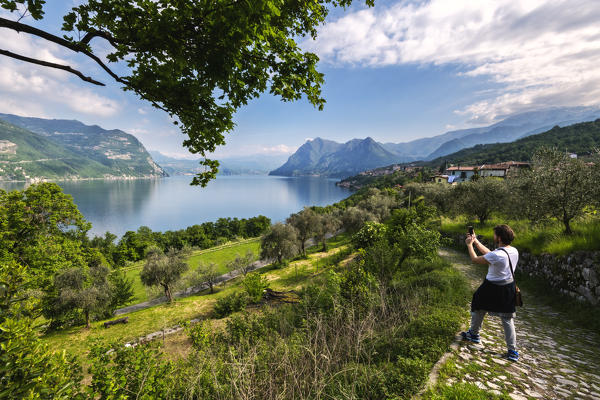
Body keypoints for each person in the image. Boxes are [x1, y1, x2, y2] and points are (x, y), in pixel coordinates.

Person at [461, 224, 519, 362]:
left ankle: (473, 335)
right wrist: (475, 241)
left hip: (491, 287)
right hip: (508, 287)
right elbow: (490, 254)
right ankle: (512, 351)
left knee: (478, 305)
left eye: (495, 235)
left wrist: (469, 245)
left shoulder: (497, 255)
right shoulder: (513, 251)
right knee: (507, 319)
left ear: (498, 237)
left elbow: (475, 259)